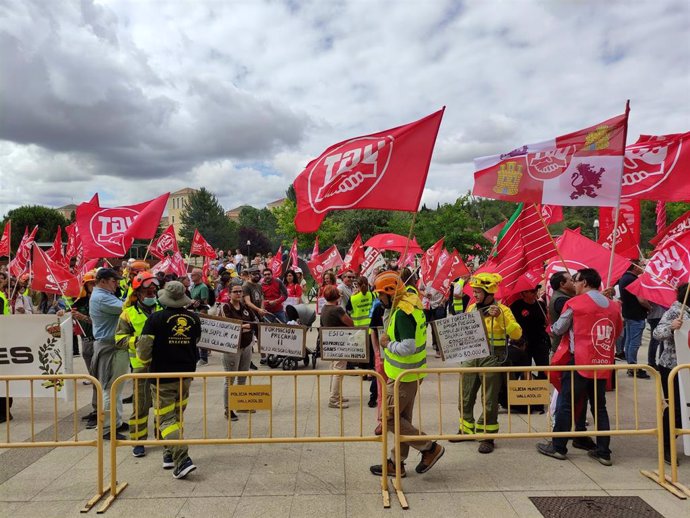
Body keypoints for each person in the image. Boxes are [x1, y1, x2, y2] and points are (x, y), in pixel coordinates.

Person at [537, 268, 623, 466]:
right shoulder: (613, 306)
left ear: (584, 282)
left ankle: (558, 447)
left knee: (567, 403)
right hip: (602, 363)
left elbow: (558, 328)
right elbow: (617, 332)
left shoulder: (575, 304)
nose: (574, 285)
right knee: (600, 407)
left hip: (579, 362)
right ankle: (604, 452)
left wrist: (550, 328)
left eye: (575, 281)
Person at [369, 271, 444, 477]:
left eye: (380, 294)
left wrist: (387, 344)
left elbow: (407, 347)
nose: (378, 299)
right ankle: (397, 463)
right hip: (409, 374)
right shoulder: (411, 301)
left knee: (389, 418)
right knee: (402, 420)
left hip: (404, 376)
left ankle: (429, 448)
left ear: (390, 293)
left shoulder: (402, 313)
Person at [135, 281, 200, 479]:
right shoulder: (194, 319)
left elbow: (144, 349)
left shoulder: (155, 319)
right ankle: (168, 453)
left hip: (162, 377)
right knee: (177, 415)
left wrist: (145, 363)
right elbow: (195, 341)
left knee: (165, 418)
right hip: (186, 375)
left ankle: (182, 458)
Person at [453, 273, 522, 453]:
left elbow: (517, 334)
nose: (474, 295)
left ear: (489, 294)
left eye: (478, 292)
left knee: (489, 399)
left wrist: (500, 317)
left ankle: (487, 436)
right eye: (474, 291)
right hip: (471, 356)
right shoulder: (471, 309)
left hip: (493, 357)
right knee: (465, 395)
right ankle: (466, 429)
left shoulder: (504, 310)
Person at [114, 272, 161, 457]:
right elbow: (119, 339)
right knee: (140, 406)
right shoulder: (128, 314)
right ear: (138, 293)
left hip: (162, 365)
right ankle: (138, 441)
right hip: (140, 366)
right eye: (147, 291)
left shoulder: (163, 309)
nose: (151, 294)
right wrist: (140, 342)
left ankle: (163, 437)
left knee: (163, 405)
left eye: (153, 291)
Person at [652, 283, 688, 465]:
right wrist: (672, 327)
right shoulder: (675, 311)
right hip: (673, 368)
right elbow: (657, 333)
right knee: (676, 409)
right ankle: (667, 446)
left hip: (687, 367)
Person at [89, 268, 127, 440]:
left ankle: (116, 422)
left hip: (112, 346)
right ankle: (106, 428)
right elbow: (126, 307)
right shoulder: (101, 297)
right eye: (114, 280)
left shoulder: (104, 295)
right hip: (110, 346)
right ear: (102, 281)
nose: (117, 283)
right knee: (110, 388)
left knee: (115, 387)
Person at [221, 281, 258, 421]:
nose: (238, 294)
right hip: (232, 347)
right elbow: (229, 325)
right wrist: (245, 326)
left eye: (240, 291)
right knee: (230, 379)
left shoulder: (245, 307)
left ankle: (241, 404)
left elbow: (254, 322)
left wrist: (245, 326)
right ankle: (228, 409)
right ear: (229, 293)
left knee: (243, 376)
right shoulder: (226, 307)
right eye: (235, 291)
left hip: (246, 344)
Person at [70, 272, 97, 428]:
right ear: (85, 285)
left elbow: (100, 322)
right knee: (94, 378)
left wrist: (83, 317)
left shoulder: (102, 301)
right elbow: (71, 317)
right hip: (86, 343)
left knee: (98, 380)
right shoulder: (80, 301)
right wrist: (65, 314)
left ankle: (99, 411)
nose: (93, 286)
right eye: (90, 283)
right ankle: (95, 409)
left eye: (95, 283)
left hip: (98, 342)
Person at [320, 285, 354, 409]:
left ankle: (336, 395)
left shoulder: (324, 308)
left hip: (330, 343)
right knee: (339, 371)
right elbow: (350, 323)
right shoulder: (337, 309)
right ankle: (334, 399)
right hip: (341, 343)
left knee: (335, 369)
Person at [618, 261, 651, 378]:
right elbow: (641, 300)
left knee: (629, 341)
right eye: (641, 265)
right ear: (635, 267)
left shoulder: (624, 278)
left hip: (629, 314)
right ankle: (633, 367)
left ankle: (630, 365)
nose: (643, 267)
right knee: (634, 342)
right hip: (636, 315)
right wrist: (650, 308)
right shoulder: (633, 279)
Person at [347, 276, 377, 407]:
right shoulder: (373, 295)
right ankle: (371, 374)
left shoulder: (353, 298)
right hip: (371, 328)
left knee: (363, 353)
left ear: (357, 286)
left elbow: (349, 310)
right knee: (371, 353)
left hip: (359, 328)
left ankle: (363, 373)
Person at [547, 271, 575, 352]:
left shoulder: (565, 297)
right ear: (562, 284)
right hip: (563, 350)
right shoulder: (561, 300)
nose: (574, 283)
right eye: (571, 280)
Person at [190, 268, 210, 366]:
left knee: (202, 335)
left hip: (200, 314)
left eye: (193, 275)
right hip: (193, 313)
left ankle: (204, 357)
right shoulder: (193, 286)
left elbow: (204, 304)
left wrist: (200, 317)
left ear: (199, 276)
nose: (191, 276)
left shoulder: (203, 287)